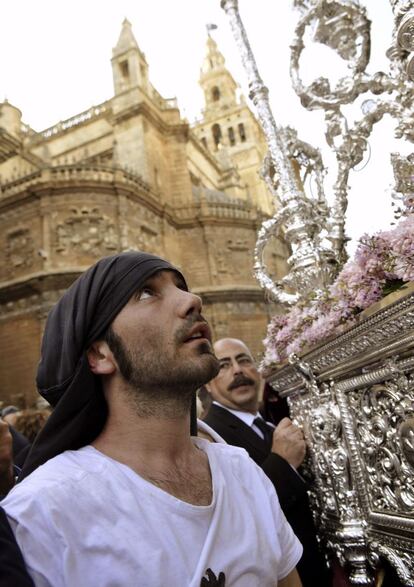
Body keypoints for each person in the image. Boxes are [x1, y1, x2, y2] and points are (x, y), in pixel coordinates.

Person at [2, 251, 303, 587]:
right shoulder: (41, 513)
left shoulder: (242, 471)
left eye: (181, 286)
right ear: (100, 355)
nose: (193, 300)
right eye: (147, 292)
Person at [203, 337, 331, 587]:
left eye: (243, 360)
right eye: (224, 365)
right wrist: (281, 461)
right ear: (208, 384)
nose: (238, 370)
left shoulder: (272, 424)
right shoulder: (210, 435)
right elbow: (235, 516)